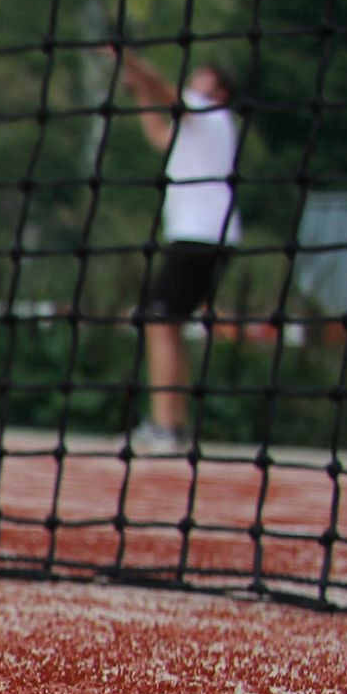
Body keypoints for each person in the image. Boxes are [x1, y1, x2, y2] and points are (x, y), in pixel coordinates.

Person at [109, 49, 241, 448]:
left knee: (159, 322)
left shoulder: (209, 113)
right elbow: (158, 137)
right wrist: (139, 93)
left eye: (202, 80)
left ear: (219, 92)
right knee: (166, 324)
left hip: (200, 237)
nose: (194, 85)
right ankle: (170, 424)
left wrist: (129, 61)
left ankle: (166, 426)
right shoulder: (197, 127)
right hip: (202, 237)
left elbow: (165, 90)